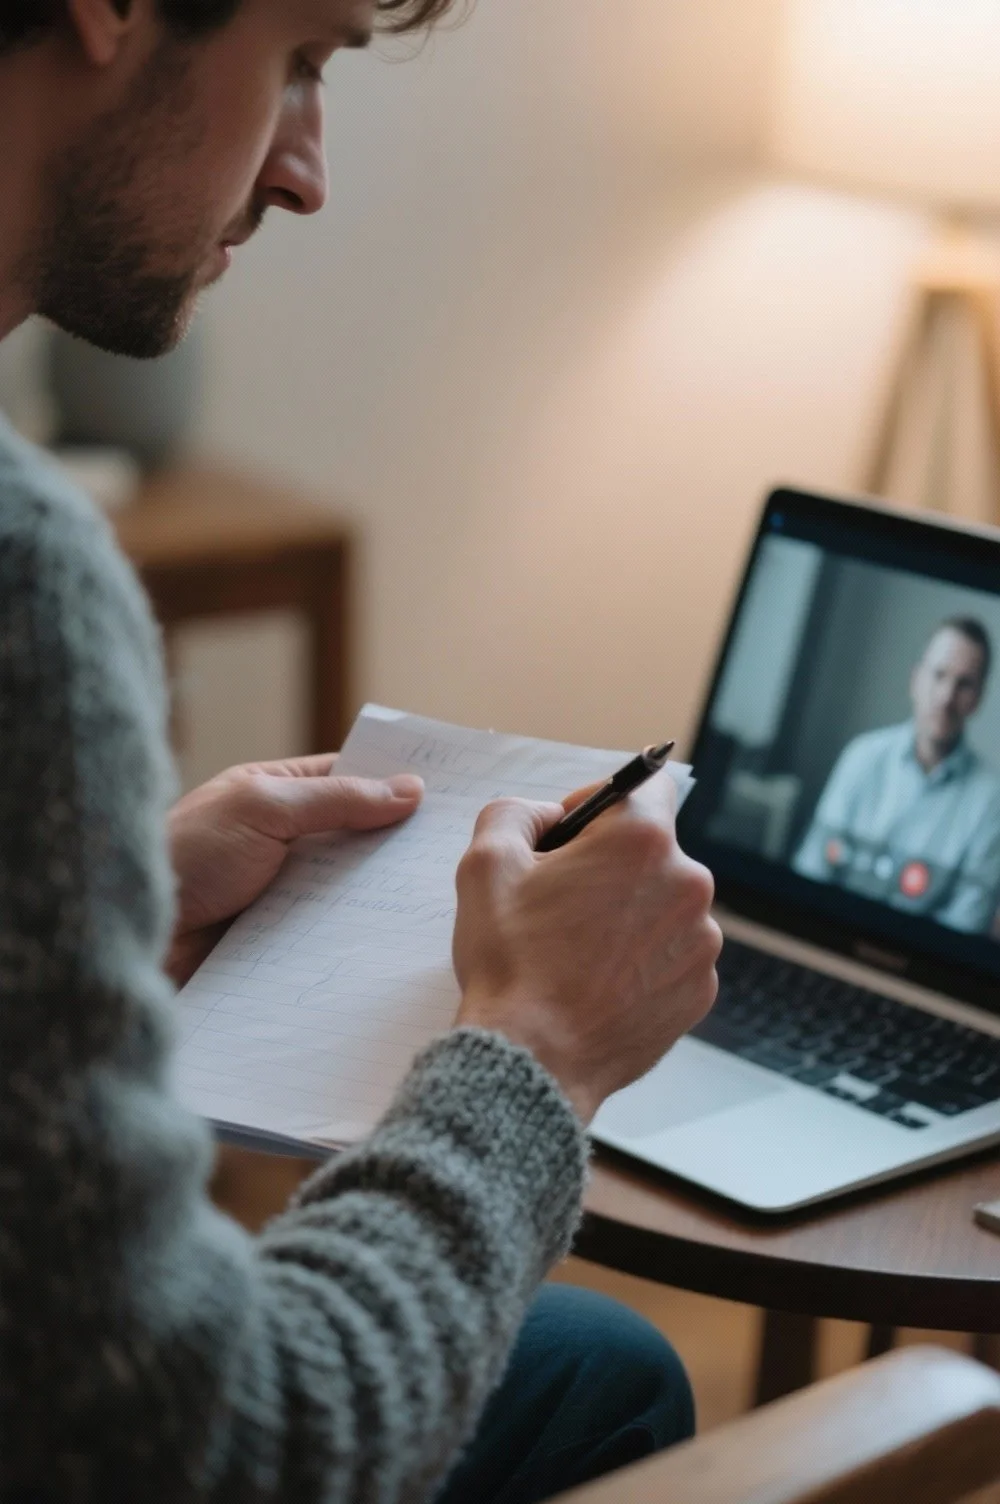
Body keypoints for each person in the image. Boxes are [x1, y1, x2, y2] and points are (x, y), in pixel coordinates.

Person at [0, 3, 722, 1502]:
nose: (307, 172)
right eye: (303, 58)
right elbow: (222, 1452)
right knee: (609, 1373)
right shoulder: (25, 576)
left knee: (588, 1362)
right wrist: (534, 1051)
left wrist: (105, 905)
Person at [794, 617, 1000, 934]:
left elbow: (966, 925)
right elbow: (812, 872)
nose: (946, 697)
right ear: (916, 679)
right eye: (939, 675)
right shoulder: (861, 756)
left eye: (964, 683)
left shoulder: (991, 801)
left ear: (979, 698)